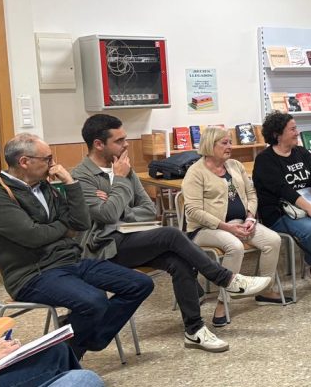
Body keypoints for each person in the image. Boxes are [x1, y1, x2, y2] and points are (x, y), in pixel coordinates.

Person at [73, 115, 270, 355]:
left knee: (179, 262)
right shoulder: (82, 176)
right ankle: (227, 280)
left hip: (133, 239)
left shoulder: (124, 168)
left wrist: (119, 208)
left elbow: (148, 209)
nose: (126, 144)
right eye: (119, 140)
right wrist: (120, 185)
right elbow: (106, 215)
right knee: (170, 234)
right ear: (98, 144)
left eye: (125, 139)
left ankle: (194, 330)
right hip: (104, 247)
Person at [0, 134, 153, 359]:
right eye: (47, 159)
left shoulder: (45, 186)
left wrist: (71, 183)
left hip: (71, 261)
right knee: (93, 301)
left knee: (140, 284)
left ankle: (84, 338)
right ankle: (66, 356)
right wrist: (64, 226)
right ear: (24, 162)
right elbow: (33, 236)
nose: (53, 164)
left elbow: (81, 223)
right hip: (32, 274)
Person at [182, 126, 285, 327]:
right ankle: (223, 302)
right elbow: (193, 211)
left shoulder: (235, 165)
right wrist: (227, 227)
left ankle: (264, 290)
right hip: (206, 229)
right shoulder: (195, 173)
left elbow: (251, 193)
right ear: (210, 145)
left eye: (230, 142)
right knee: (235, 247)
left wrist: (250, 217)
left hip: (240, 223)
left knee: (273, 240)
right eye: (225, 143)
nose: (230, 146)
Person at [253, 111, 311, 294]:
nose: (297, 132)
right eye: (292, 129)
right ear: (278, 134)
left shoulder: (301, 152)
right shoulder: (264, 160)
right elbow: (284, 191)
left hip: (309, 206)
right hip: (280, 212)